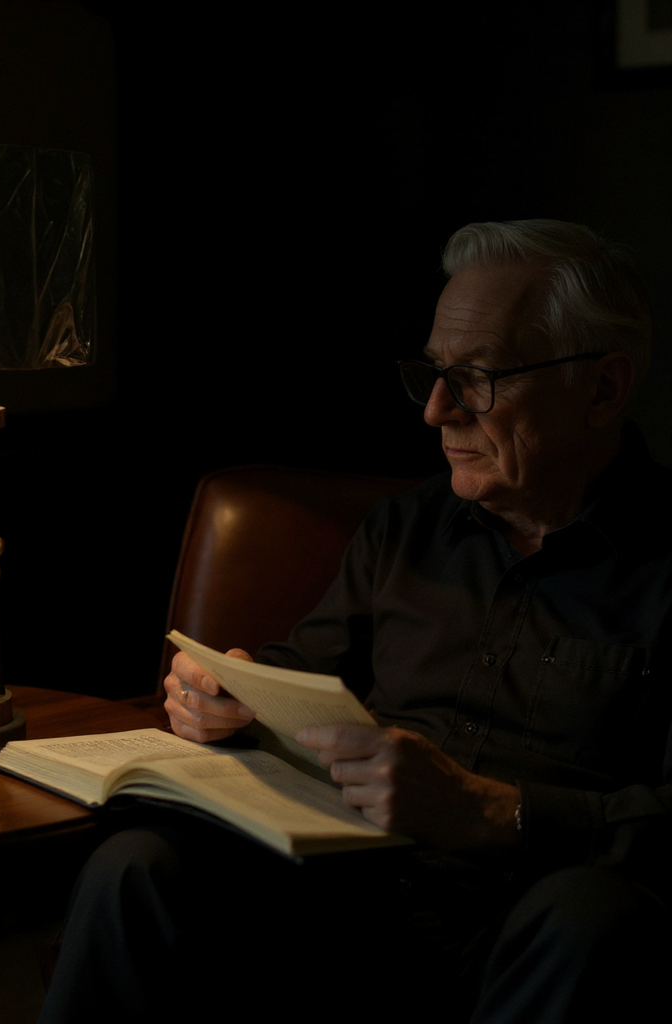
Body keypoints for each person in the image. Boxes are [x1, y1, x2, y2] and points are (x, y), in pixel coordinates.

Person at [38, 220, 672, 1023]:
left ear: (603, 389)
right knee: (138, 863)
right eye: (433, 374)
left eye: (478, 379)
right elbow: (300, 679)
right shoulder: (404, 531)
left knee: (590, 921)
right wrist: (225, 696)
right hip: (350, 895)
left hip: (534, 923)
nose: (436, 411)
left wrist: (490, 809)